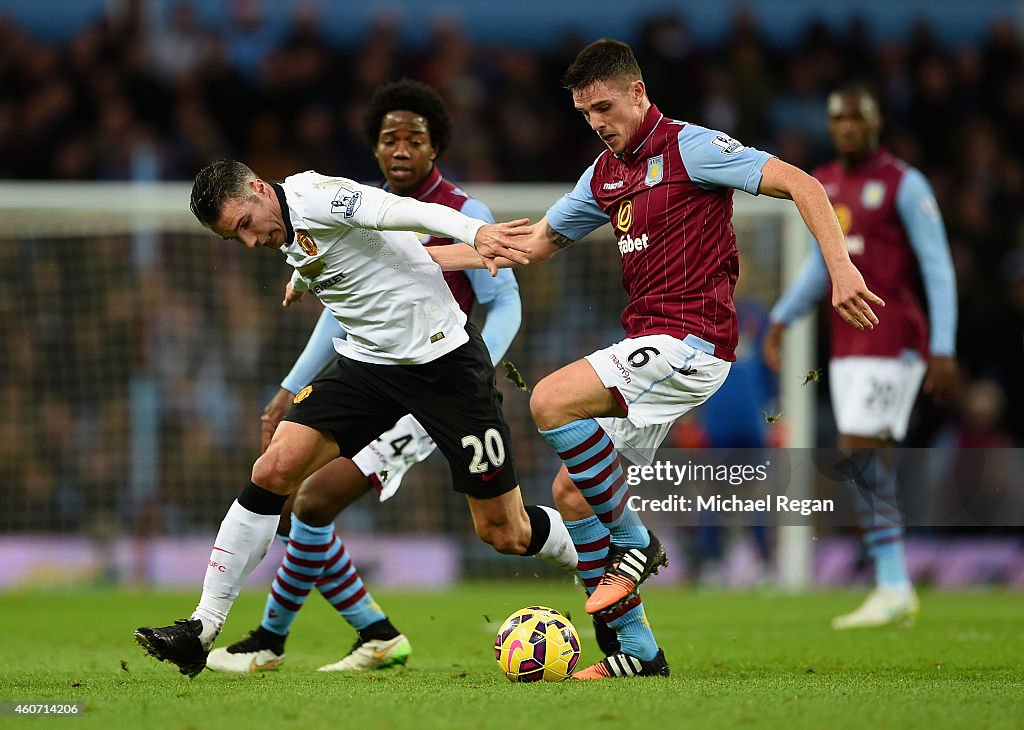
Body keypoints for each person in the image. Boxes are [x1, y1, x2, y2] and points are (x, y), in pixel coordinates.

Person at [428, 39, 882, 679]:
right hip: (654, 345)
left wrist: (840, 269)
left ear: (639, 94)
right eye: (586, 113)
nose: (597, 123)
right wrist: (413, 262)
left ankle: (637, 542)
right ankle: (634, 653)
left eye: (605, 107)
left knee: (549, 399)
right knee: (573, 493)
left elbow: (802, 183)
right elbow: (528, 246)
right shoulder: (603, 175)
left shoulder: (693, 148)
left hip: (693, 342)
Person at [133, 159, 576, 678]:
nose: (251, 243)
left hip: (444, 365)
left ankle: (601, 549)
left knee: (505, 532)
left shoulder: (319, 198)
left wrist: (477, 231)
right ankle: (201, 629)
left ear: (258, 189)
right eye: (237, 238)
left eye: (246, 226)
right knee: (273, 471)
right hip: (368, 365)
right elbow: (333, 252)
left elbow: (402, 211)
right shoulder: (280, 226)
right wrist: (302, 276)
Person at [204, 80, 524, 674]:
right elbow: (345, 312)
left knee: (492, 527)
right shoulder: (341, 206)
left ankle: (303, 636)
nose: (400, 149)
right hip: (379, 373)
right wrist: (288, 385)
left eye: (414, 139)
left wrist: (486, 376)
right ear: (375, 150)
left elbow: (504, 303)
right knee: (307, 497)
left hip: (444, 377)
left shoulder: (462, 211)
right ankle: (347, 634)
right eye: (388, 139)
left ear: (436, 148)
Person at [763, 84, 957, 629]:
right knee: (870, 460)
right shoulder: (822, 183)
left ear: (876, 124)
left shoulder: (904, 184)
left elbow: (937, 267)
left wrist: (943, 345)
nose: (847, 127)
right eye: (838, 119)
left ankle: (890, 578)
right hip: (849, 345)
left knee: (859, 449)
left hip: (893, 338)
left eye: (857, 118)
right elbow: (817, 267)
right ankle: (893, 584)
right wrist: (781, 318)